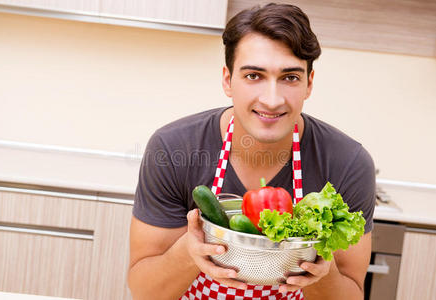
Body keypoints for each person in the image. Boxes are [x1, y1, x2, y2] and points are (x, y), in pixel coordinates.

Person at [127, 3, 375, 300]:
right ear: (227, 80)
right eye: (254, 76)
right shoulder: (173, 149)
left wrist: (321, 272)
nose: (272, 100)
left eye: (290, 77)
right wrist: (187, 252)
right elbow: (145, 292)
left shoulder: (348, 164)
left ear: (309, 84)